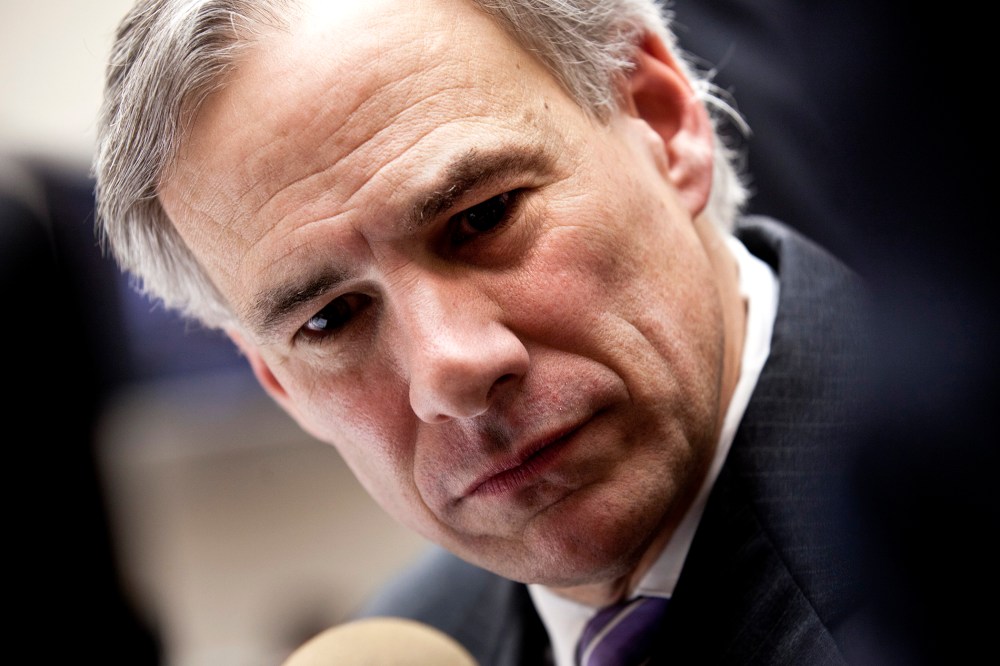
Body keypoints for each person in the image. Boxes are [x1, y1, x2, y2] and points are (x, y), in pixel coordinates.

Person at [94, 0, 881, 663]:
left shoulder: (956, 505)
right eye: (330, 318)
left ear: (662, 122)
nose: (450, 369)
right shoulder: (424, 639)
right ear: (280, 384)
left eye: (482, 217)